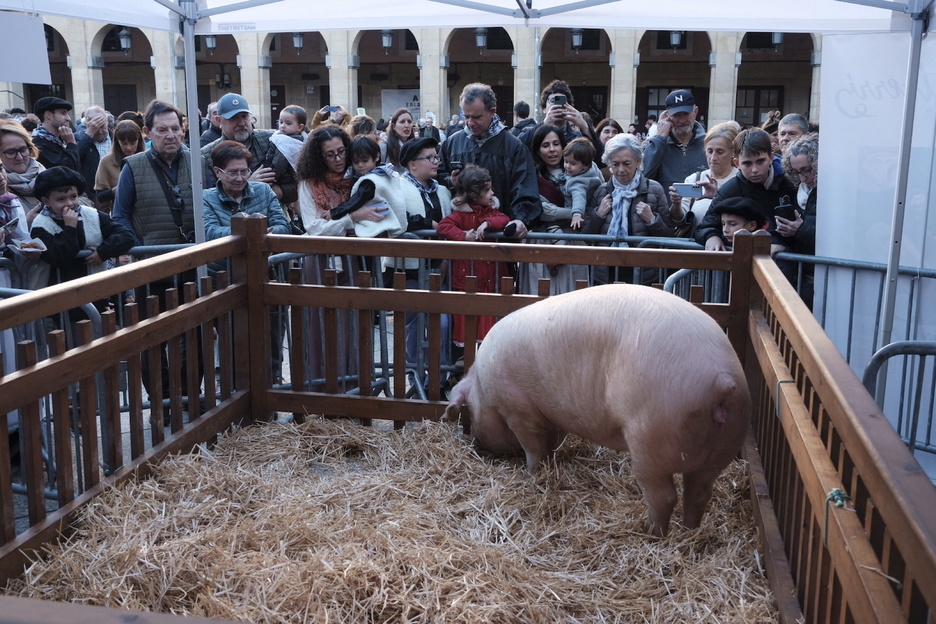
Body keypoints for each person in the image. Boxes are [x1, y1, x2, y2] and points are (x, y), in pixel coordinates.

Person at [111, 100, 201, 420]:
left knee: (195, 337)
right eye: (162, 130)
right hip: (152, 267)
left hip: (193, 265)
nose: (170, 135)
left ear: (184, 129)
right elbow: (120, 216)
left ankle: (190, 397)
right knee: (154, 341)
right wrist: (136, 250)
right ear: (148, 132)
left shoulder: (199, 161)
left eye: (175, 129)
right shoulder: (133, 166)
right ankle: (161, 403)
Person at [297, 126, 387, 392]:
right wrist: (351, 217)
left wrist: (344, 219)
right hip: (320, 262)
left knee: (353, 325)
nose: (337, 159)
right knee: (321, 326)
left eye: (341, 152)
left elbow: (380, 211)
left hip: (353, 259)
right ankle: (323, 389)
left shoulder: (360, 180)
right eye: (329, 155)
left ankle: (355, 386)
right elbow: (313, 227)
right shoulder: (308, 184)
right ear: (318, 157)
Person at [440, 83, 541, 241]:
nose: (470, 123)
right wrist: (450, 180)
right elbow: (438, 177)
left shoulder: (514, 147)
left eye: (477, 117)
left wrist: (520, 219)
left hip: (499, 237)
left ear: (492, 112)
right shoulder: (453, 143)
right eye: (466, 117)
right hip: (462, 237)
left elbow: (524, 189)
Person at [583, 133, 677, 285]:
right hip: (606, 271)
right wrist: (598, 215)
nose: (620, 169)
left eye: (626, 163)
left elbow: (668, 236)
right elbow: (587, 236)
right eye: (615, 164)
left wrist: (652, 220)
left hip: (643, 273)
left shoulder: (654, 189)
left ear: (638, 162)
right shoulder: (601, 191)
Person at [436, 164, 510, 348]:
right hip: (468, 279)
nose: (492, 193)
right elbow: (443, 226)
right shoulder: (460, 214)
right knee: (468, 323)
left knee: (488, 325)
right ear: (473, 194)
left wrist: (487, 223)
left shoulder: (491, 211)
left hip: (489, 281)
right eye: (487, 190)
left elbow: (504, 219)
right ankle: (466, 361)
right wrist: (464, 236)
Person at [693, 128, 797, 256]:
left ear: (771, 157)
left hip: (784, 265)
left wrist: (783, 245)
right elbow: (705, 226)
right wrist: (711, 236)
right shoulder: (729, 190)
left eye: (760, 161)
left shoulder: (790, 184)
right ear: (737, 163)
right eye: (747, 163)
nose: (754, 170)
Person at [29, 166, 134, 292]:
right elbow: (60, 257)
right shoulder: (40, 225)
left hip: (93, 290)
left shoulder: (92, 215)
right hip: (57, 294)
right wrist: (70, 227)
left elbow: (126, 235)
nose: (69, 203)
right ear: (46, 201)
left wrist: (103, 251)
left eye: (73, 197)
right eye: (61, 199)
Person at [517, 124, 590, 295]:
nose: (552, 150)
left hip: (573, 242)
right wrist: (574, 213)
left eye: (556, 144)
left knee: (572, 300)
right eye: (545, 145)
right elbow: (542, 210)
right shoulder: (531, 177)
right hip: (541, 242)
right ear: (537, 150)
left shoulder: (581, 173)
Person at [202, 93, 298, 208]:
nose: (242, 123)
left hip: (274, 219)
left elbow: (297, 183)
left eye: (244, 116)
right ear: (219, 121)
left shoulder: (273, 140)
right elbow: (210, 200)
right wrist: (247, 184)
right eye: (233, 118)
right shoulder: (207, 155)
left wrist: (275, 192)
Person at [668, 121, 741, 238]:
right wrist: (676, 203)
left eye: (720, 151)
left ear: (733, 152)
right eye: (710, 151)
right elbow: (678, 220)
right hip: (696, 246)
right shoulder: (694, 179)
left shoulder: (740, 179)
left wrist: (716, 196)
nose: (713, 157)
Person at [778, 132, 819, 307]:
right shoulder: (796, 189)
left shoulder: (836, 188)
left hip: (823, 275)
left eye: (807, 170)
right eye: (797, 172)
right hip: (803, 273)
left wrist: (800, 230)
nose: (803, 178)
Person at [641, 89, 707, 194]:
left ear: (695, 111)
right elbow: (644, 178)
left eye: (685, 114)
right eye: (676, 115)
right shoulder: (652, 145)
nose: (681, 120)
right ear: (667, 116)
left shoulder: (709, 144)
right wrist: (659, 140)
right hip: (665, 209)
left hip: (699, 209)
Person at [517, 80, 602, 160]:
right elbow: (518, 149)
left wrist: (584, 126)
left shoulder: (577, 137)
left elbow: (599, 158)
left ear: (569, 107)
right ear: (544, 108)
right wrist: (545, 124)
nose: (557, 106)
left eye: (562, 102)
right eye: (553, 101)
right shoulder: (530, 131)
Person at [94, 119, 145, 213]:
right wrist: (118, 189)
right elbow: (100, 196)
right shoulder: (107, 162)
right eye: (124, 143)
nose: (129, 147)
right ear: (117, 142)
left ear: (139, 141)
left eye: (133, 143)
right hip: (120, 212)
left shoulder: (147, 160)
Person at [0, 119, 45, 219]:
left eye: (23, 150)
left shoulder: (49, 175)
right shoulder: (2, 188)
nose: (19, 157)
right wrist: (26, 225)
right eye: (11, 152)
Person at [562, 137, 604, 230]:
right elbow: (601, 178)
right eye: (566, 161)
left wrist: (577, 214)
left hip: (576, 215)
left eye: (573, 164)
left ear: (585, 165)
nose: (567, 166)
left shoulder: (577, 182)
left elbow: (579, 197)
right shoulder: (592, 167)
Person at [31, 97, 80, 173]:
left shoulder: (59, 140)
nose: (68, 118)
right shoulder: (39, 144)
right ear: (49, 115)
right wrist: (71, 144)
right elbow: (66, 172)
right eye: (63, 113)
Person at [75, 106, 112, 207]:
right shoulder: (79, 139)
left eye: (102, 127)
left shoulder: (116, 139)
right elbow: (75, 159)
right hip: (91, 195)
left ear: (107, 123)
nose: (99, 132)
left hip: (113, 192)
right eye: (96, 128)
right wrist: (89, 133)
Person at [381, 108, 415, 173]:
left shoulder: (416, 147)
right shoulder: (384, 147)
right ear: (393, 126)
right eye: (402, 122)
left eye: (409, 122)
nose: (407, 125)